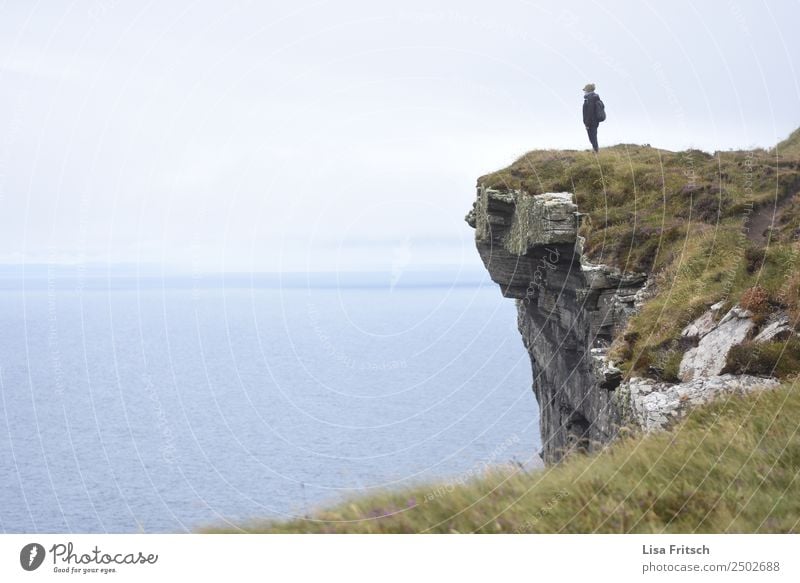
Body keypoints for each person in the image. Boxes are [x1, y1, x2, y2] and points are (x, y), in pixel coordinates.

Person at [582, 83, 604, 152]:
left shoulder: (590, 98)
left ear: (588, 90)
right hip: (594, 121)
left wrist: (587, 123)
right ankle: (595, 150)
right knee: (593, 136)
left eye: (585, 90)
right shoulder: (594, 97)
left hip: (591, 121)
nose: (584, 91)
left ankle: (596, 151)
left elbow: (589, 112)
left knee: (592, 137)